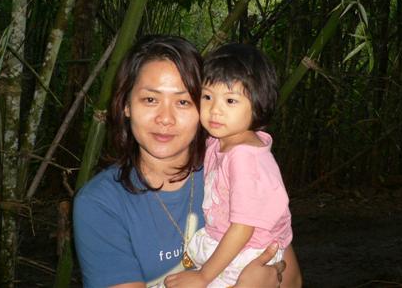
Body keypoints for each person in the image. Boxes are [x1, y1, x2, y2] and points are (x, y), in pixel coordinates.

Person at [73, 35, 301, 288]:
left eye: (182, 102)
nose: (165, 118)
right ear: (126, 105)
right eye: (150, 99)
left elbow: (291, 278)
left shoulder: (230, 167)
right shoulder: (100, 203)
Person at [165, 43, 292, 288]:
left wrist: (203, 276)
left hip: (247, 251)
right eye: (207, 97)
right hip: (226, 243)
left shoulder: (245, 158)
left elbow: (243, 228)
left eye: (231, 100)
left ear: (258, 103)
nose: (215, 110)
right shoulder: (221, 141)